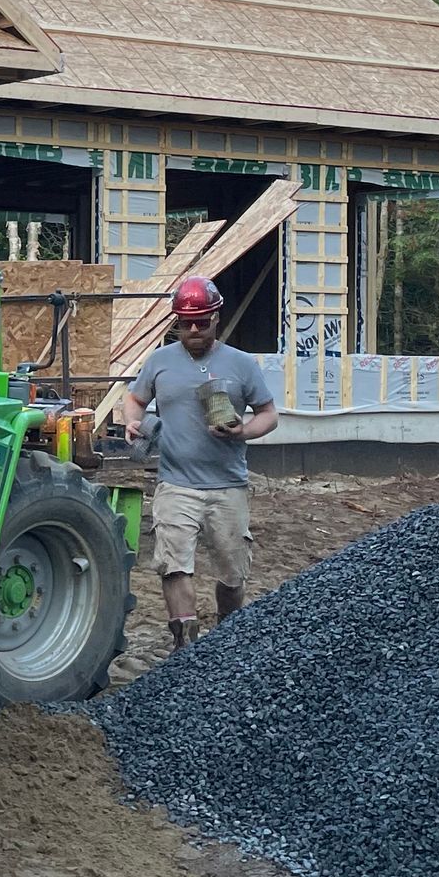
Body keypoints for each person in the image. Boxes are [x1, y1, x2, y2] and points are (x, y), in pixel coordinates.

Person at [122, 274, 278, 650]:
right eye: (185, 323)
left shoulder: (241, 364)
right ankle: (185, 646)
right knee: (173, 565)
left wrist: (242, 431)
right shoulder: (159, 361)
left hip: (228, 485)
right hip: (176, 483)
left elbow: (269, 414)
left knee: (233, 572)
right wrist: (132, 420)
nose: (193, 329)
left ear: (216, 317)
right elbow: (135, 399)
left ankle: (228, 634)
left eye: (202, 321)